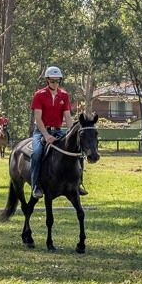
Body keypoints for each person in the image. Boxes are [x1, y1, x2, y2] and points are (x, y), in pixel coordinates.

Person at [30, 66, 87, 198]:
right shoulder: (39, 95)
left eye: (57, 81)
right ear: (47, 80)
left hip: (58, 130)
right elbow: (37, 118)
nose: (55, 84)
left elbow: (67, 117)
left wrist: (73, 133)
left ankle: (78, 183)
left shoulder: (64, 95)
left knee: (78, 151)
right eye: (52, 81)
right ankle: (36, 186)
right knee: (37, 153)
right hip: (41, 131)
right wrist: (46, 135)